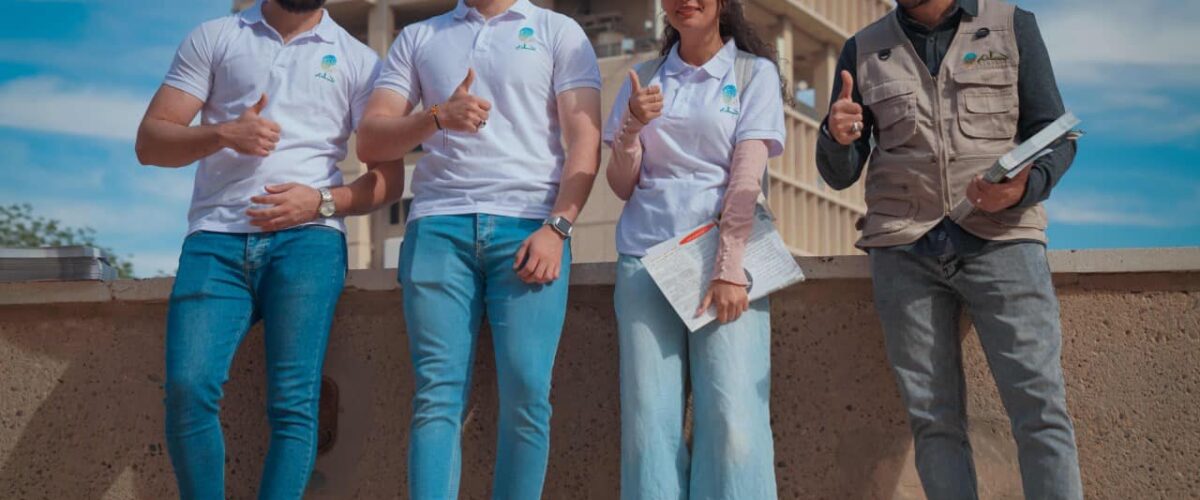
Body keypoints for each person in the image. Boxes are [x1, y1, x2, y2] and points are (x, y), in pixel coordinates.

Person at [134, 0, 405, 497]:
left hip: (309, 243)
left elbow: (388, 180)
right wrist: (223, 133)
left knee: (294, 405)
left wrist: (321, 202)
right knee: (188, 388)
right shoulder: (216, 37)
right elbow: (151, 143)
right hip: (215, 240)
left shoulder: (359, 61)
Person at [815, 0, 1083, 498]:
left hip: (1004, 243)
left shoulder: (1012, 26)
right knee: (933, 421)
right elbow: (839, 172)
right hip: (903, 252)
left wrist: (1021, 189)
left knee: (1040, 410)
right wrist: (836, 136)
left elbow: (1056, 137)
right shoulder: (863, 48)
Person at [353, 0, 602, 497]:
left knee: (528, 393)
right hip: (438, 227)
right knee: (436, 396)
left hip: (530, 227)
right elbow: (370, 141)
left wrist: (558, 227)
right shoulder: (419, 36)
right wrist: (436, 117)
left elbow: (585, 140)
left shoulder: (558, 31)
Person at [602, 0, 786, 497]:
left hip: (722, 262)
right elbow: (621, 185)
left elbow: (746, 179)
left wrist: (728, 268)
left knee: (734, 423)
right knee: (648, 428)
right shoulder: (644, 78)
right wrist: (631, 127)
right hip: (644, 260)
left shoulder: (753, 74)